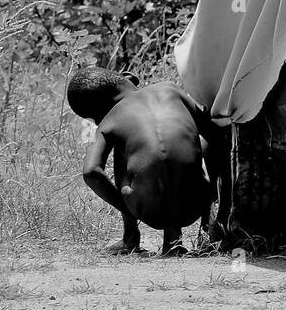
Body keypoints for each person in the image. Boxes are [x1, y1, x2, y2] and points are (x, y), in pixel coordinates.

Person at [67, 68, 219, 256]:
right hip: (195, 202)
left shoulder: (109, 121)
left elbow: (91, 171)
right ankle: (208, 227)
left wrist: (128, 210)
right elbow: (215, 135)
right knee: (207, 144)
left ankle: (130, 236)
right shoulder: (172, 90)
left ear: (97, 115)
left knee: (124, 151)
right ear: (130, 78)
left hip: (149, 210)